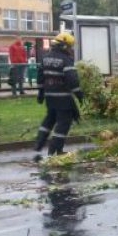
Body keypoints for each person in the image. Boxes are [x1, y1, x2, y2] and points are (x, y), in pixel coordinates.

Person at [34, 32, 83, 160]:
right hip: (63, 97)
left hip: (50, 96)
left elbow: (40, 76)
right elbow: (72, 79)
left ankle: (39, 143)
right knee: (63, 123)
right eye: (69, 46)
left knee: (49, 119)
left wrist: (40, 93)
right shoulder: (65, 59)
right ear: (64, 46)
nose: (71, 49)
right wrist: (79, 94)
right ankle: (55, 150)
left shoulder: (45, 57)